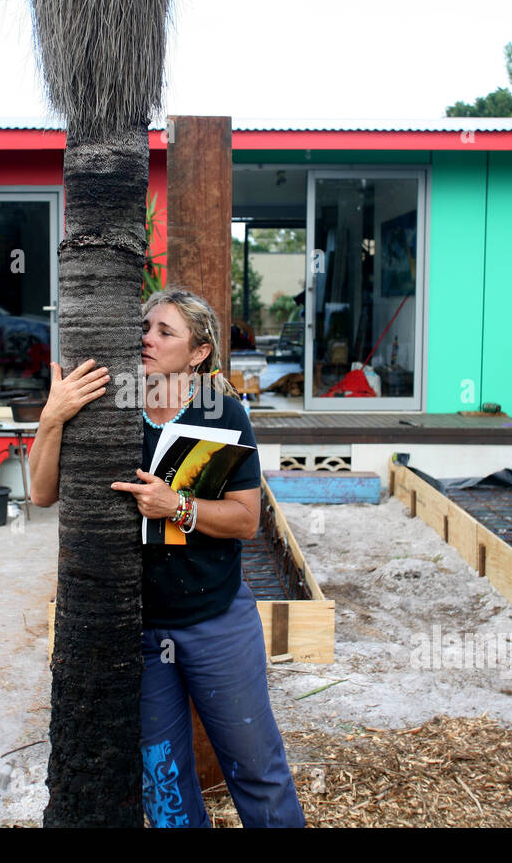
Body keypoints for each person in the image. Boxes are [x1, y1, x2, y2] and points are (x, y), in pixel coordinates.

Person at [29, 288, 305, 828]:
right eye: (145, 326)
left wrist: (175, 506)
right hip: (139, 631)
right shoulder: (112, 407)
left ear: (198, 352)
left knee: (255, 766)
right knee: (164, 780)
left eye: (164, 331)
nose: (146, 338)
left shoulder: (221, 413)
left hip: (216, 621)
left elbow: (246, 519)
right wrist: (53, 417)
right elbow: (41, 494)